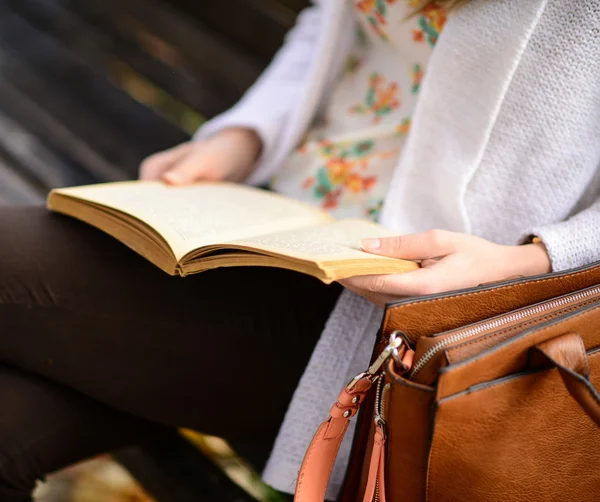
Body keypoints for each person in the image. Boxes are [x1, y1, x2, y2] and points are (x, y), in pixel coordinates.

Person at [1, 0, 599, 500]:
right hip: (272, 224)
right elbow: (333, 21)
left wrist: (533, 260)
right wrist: (246, 135)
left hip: (394, 323)